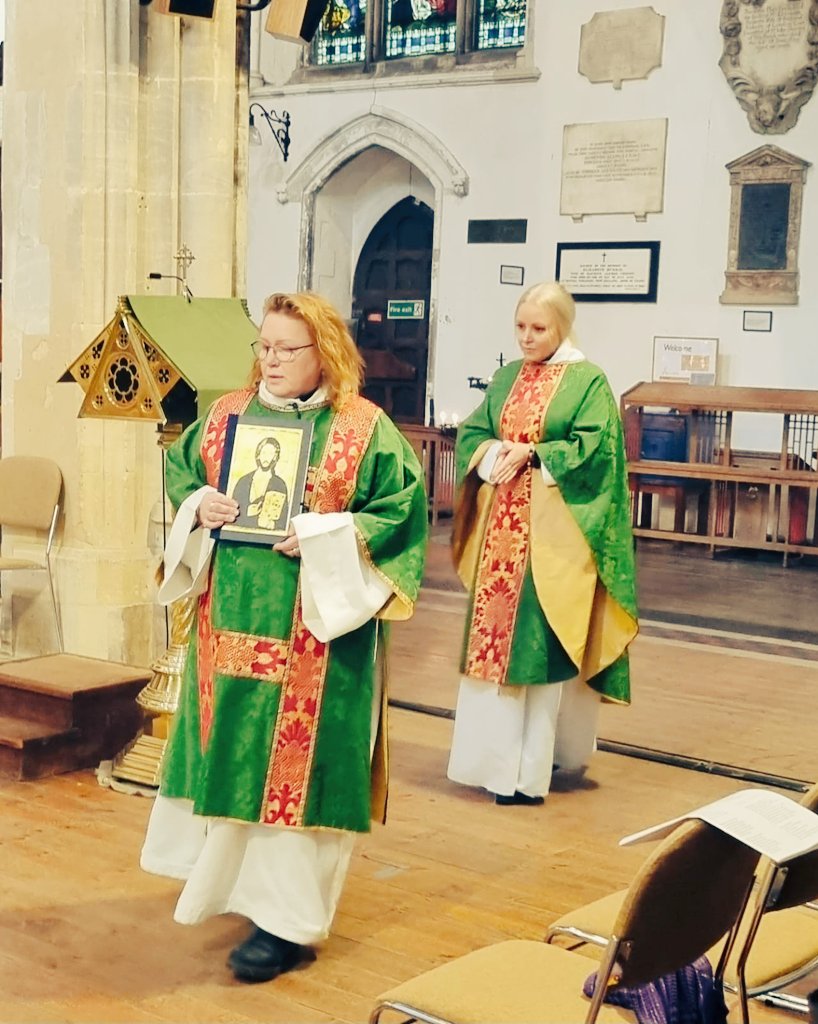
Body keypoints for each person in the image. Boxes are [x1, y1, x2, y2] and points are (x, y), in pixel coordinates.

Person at [141, 291, 428, 983]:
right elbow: (183, 472)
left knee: (299, 781)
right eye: (263, 346)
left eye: (285, 349)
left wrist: (327, 532)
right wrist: (196, 504)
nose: (268, 360)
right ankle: (242, 895)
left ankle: (289, 924)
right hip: (229, 629)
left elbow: (402, 511)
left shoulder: (363, 429)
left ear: (323, 352)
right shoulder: (225, 417)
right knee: (237, 760)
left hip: (318, 644)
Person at [447, 281, 638, 806]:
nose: (528, 338)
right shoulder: (507, 377)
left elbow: (597, 450)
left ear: (562, 327)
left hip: (554, 541)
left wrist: (533, 455)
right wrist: (492, 452)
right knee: (497, 653)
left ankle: (532, 771)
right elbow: (473, 432)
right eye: (521, 327)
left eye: (540, 329)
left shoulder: (587, 381)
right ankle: (492, 764)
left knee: (538, 647)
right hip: (499, 541)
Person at [230, 435, 290, 531]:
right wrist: (248, 512)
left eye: (270, 454)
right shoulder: (244, 481)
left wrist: (272, 524)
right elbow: (232, 515)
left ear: (275, 457)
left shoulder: (280, 484)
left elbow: (284, 519)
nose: (266, 457)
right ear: (258, 454)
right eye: (264, 452)